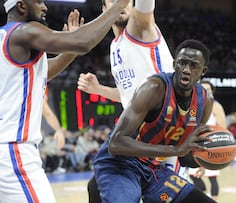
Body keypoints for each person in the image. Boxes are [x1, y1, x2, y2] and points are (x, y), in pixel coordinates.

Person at [0, 0, 130, 202]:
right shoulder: (25, 31)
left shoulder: (6, 38)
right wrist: (119, 5)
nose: (45, 7)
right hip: (13, 151)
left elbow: (44, 71)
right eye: (38, 2)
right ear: (21, 6)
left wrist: (70, 48)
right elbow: (84, 42)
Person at [76, 0, 178, 202]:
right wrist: (98, 90)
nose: (120, 4)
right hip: (137, 137)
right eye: (113, 1)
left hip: (162, 134)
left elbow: (146, 6)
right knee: (96, 186)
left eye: (124, 0)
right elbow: (128, 96)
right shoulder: (115, 45)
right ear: (105, 10)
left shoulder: (141, 29)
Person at [94, 39, 218, 203]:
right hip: (120, 165)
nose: (186, 70)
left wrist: (210, 156)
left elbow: (185, 156)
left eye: (194, 66)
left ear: (203, 71)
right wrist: (176, 150)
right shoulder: (154, 88)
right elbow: (115, 144)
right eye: (182, 63)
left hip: (153, 170)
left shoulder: (205, 101)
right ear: (174, 65)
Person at [188, 80, 226, 201]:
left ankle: (214, 200)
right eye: (203, 89)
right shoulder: (193, 105)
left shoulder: (216, 106)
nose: (206, 92)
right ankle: (204, 197)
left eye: (209, 90)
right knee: (193, 176)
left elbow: (223, 128)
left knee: (212, 177)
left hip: (211, 145)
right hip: (195, 145)